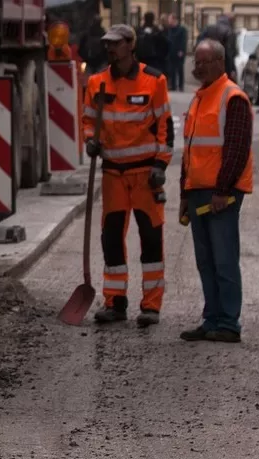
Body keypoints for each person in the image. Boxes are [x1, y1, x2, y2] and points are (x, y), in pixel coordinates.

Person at [81, 25, 174, 327]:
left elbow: (165, 126)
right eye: (107, 44)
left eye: (117, 44)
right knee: (111, 238)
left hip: (145, 173)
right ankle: (115, 303)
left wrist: (161, 164)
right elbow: (87, 120)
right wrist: (89, 141)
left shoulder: (154, 80)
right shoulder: (97, 82)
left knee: (150, 238)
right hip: (113, 174)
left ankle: (150, 306)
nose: (110, 49)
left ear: (131, 46)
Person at [179, 40, 253, 343]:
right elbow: (190, 150)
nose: (197, 67)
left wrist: (222, 190)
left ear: (220, 62)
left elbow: (236, 149)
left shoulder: (232, 97)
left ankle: (228, 323)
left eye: (204, 61)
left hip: (221, 193)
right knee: (206, 260)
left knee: (223, 259)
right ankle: (212, 319)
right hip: (198, 191)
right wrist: (184, 193)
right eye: (196, 61)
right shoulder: (200, 98)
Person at [198, 14, 238, 78]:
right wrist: (232, 69)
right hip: (223, 63)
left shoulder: (208, 28)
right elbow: (229, 52)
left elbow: (199, 42)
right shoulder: (229, 31)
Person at [165, 13, 189, 91]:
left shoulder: (182, 29)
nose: (169, 21)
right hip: (170, 52)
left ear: (174, 20)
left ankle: (181, 86)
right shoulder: (169, 29)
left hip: (179, 52)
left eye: (170, 19)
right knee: (171, 69)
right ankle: (173, 85)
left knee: (179, 69)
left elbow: (183, 41)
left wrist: (181, 50)